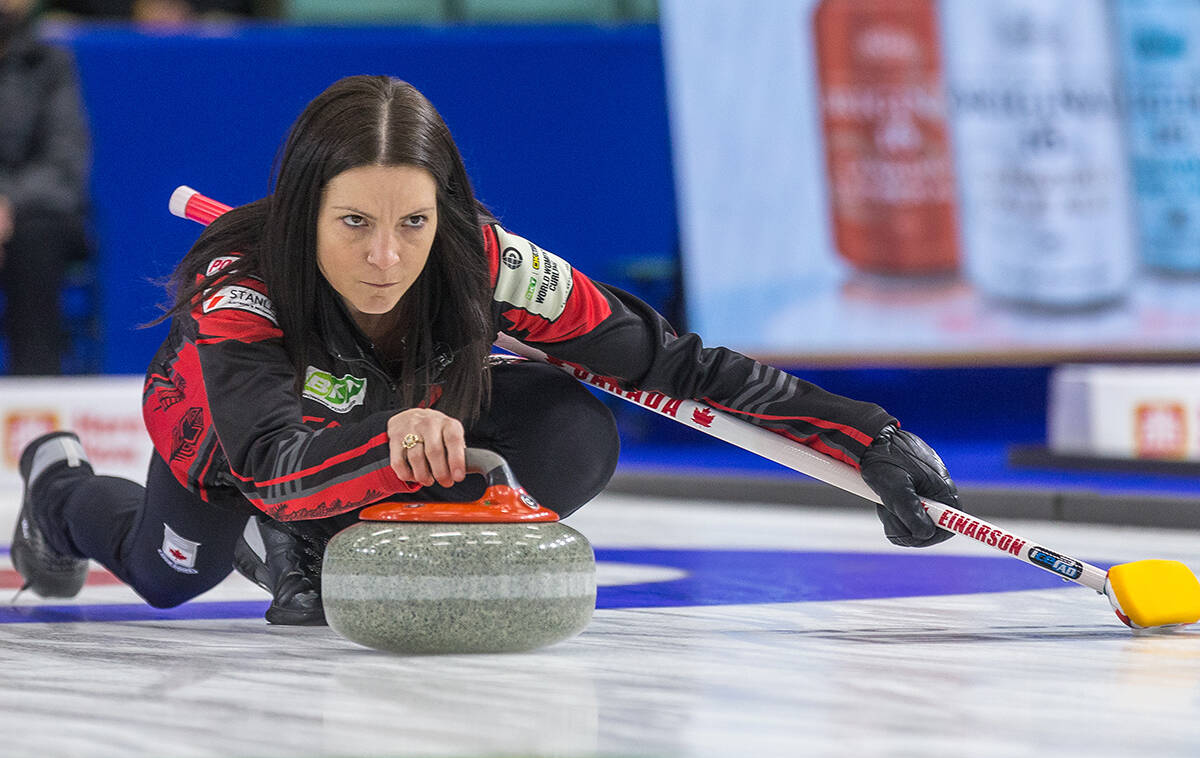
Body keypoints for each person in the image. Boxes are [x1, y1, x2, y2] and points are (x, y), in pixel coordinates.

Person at [10, 75, 961, 626]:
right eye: (353, 224)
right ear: (305, 213)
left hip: (379, 433)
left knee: (568, 429)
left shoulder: (492, 264)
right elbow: (270, 466)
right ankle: (55, 490)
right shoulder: (241, 293)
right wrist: (380, 447)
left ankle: (328, 537)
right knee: (171, 577)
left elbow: (672, 364)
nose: (386, 261)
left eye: (413, 223)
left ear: (448, 215)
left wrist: (864, 437)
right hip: (234, 443)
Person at [0, 0, 91, 375]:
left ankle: (36, 393)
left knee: (37, 237)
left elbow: (64, 165)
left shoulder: (52, 65)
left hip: (32, 218)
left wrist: (7, 201)